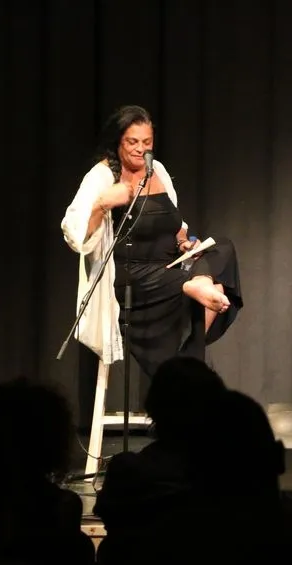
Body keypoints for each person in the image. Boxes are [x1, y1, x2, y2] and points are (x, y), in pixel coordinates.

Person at [61, 104, 243, 377]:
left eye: (146, 142)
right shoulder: (102, 175)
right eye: (132, 142)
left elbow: (176, 224)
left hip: (169, 268)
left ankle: (198, 286)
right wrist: (103, 203)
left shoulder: (155, 169)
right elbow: (76, 235)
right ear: (118, 141)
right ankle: (188, 362)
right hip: (130, 279)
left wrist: (186, 243)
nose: (140, 148)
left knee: (223, 247)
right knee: (183, 286)